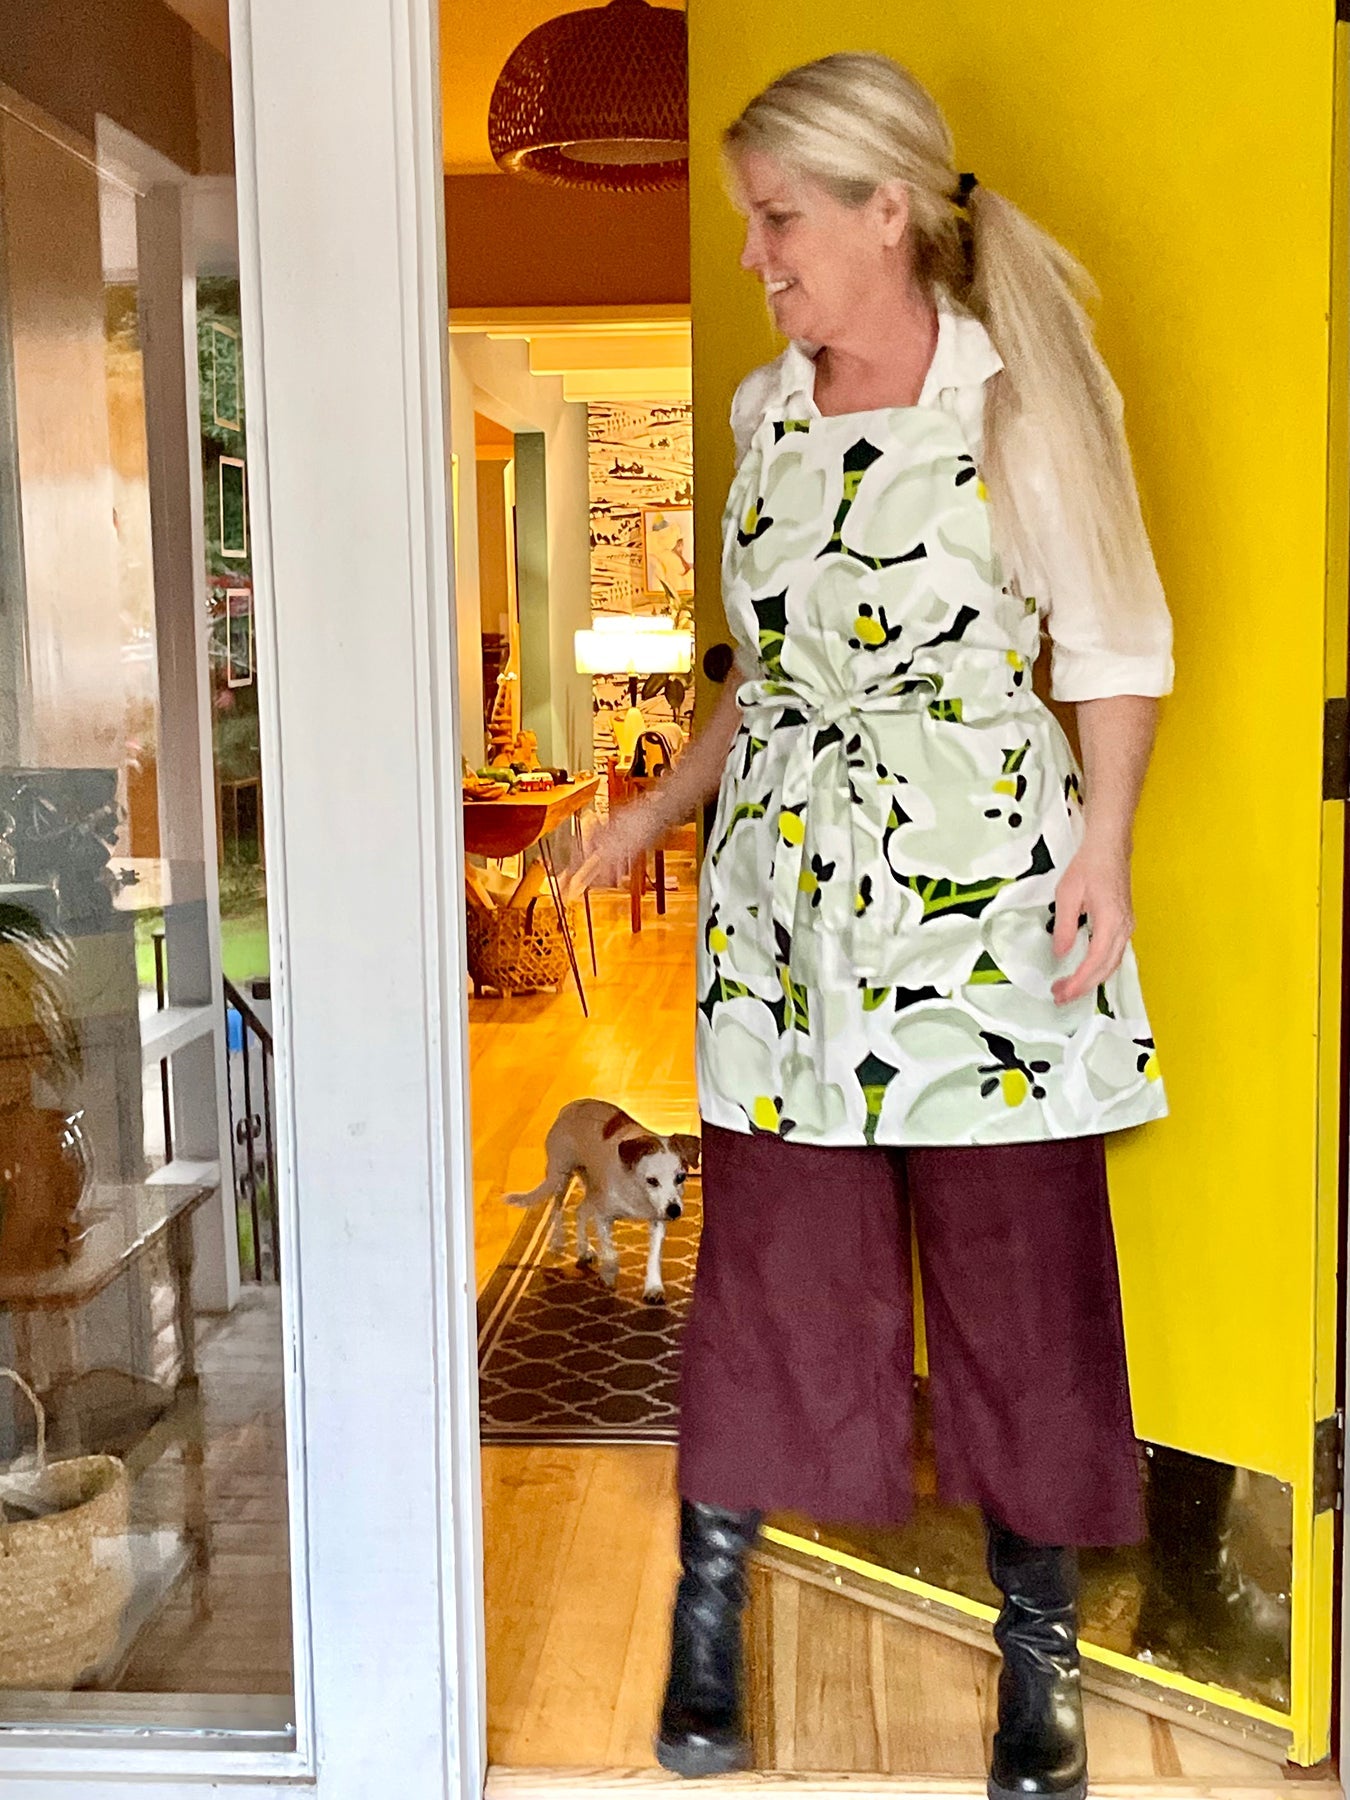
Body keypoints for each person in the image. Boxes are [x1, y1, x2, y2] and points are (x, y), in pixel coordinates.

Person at [567, 50, 1173, 1796]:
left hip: (981, 898)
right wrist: (653, 814)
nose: (753, 254)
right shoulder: (763, 411)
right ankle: (705, 1623)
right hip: (786, 916)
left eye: (776, 219)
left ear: (883, 211)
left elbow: (1113, 647)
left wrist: (1106, 846)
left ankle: (1038, 1668)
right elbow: (763, 685)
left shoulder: (1016, 403)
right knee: (769, 1267)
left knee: (1018, 1278)